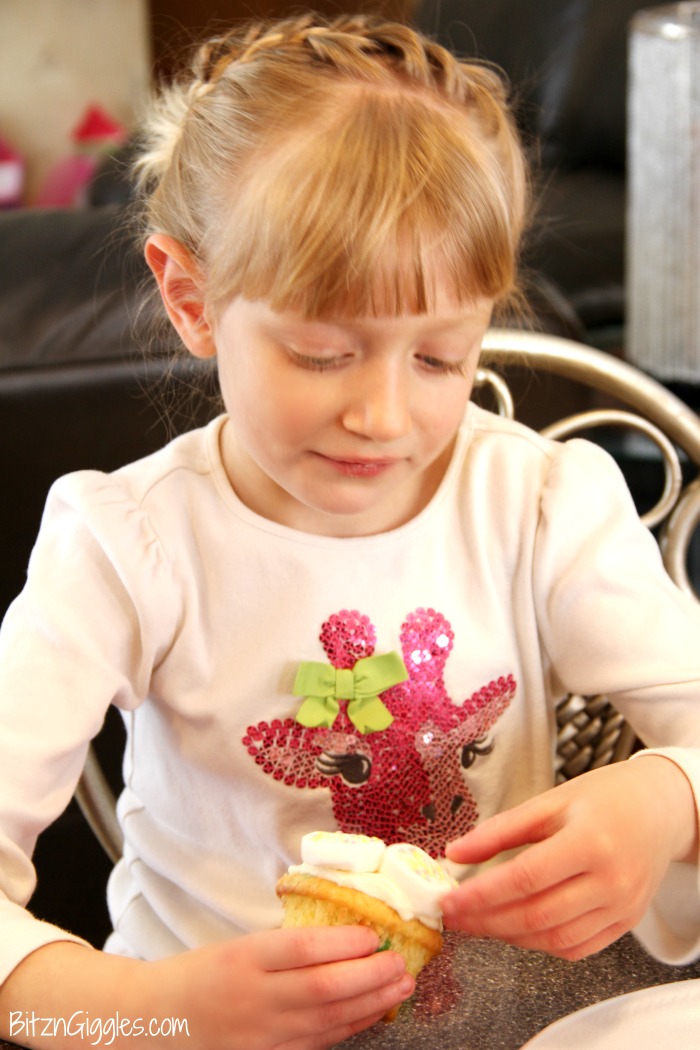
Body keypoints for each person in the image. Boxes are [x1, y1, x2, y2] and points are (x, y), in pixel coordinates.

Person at [0, 11, 699, 1049]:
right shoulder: (123, 547)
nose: (381, 417)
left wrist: (665, 799)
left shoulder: (542, 502)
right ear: (191, 296)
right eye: (322, 355)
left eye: (438, 359)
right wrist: (165, 1012)